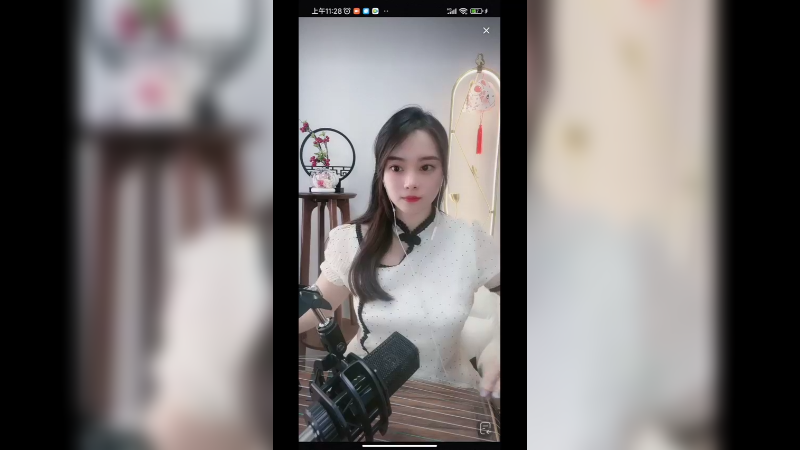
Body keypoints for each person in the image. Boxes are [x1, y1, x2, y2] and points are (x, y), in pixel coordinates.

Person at [298, 106, 501, 397]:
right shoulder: (351, 240)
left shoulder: (469, 240)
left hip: (448, 397)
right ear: (381, 173)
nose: (410, 182)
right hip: (367, 394)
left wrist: (497, 347)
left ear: (443, 172)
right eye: (396, 167)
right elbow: (319, 304)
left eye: (426, 167)